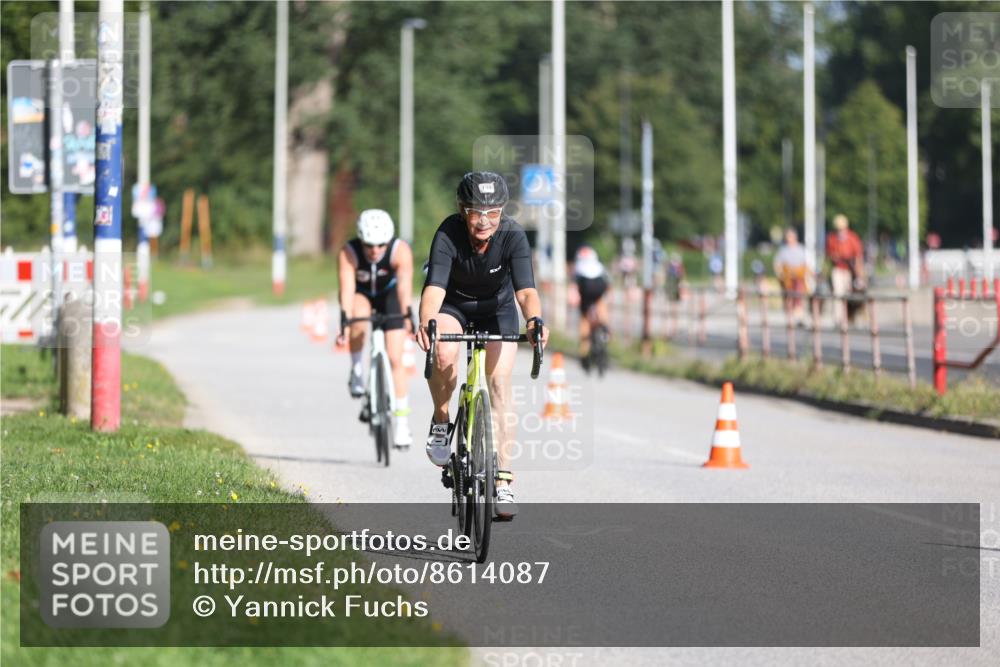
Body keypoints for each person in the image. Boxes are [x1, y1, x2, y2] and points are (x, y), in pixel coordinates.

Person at [415, 172, 548, 519]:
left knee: (500, 385)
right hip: (453, 306)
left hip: (497, 310)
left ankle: (503, 479)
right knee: (443, 352)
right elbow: (434, 289)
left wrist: (534, 321)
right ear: (462, 210)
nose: (485, 220)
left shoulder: (513, 234)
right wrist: (426, 321)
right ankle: (442, 420)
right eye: (477, 212)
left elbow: (526, 292)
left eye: (493, 212)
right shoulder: (448, 233)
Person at [337, 209, 415, 448]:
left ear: (389, 241)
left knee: (395, 358)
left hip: (389, 295)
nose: (375, 250)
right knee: (358, 318)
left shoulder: (400, 250)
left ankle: (402, 426)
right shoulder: (349, 252)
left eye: (381, 245)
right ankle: (358, 369)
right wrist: (344, 321)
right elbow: (347, 289)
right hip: (362, 294)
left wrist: (407, 314)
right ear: (361, 240)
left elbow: (404, 286)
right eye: (369, 245)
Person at [825, 213, 866, 326]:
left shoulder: (852, 238)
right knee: (838, 293)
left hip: (850, 270)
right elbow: (829, 254)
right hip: (838, 269)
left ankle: (848, 317)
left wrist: (859, 274)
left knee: (850, 294)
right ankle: (838, 318)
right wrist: (834, 257)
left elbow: (858, 256)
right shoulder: (832, 238)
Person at [573, 245, 609, 368]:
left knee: (584, 317)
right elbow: (607, 281)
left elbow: (575, 282)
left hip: (585, 286)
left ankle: (584, 351)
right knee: (600, 302)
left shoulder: (579, 264)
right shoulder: (598, 265)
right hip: (599, 284)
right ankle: (604, 326)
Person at [773, 227, 809, 326]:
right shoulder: (783, 250)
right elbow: (778, 264)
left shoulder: (800, 249)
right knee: (788, 298)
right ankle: (790, 319)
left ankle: (799, 318)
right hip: (787, 278)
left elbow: (805, 264)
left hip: (798, 277)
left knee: (798, 298)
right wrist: (781, 274)